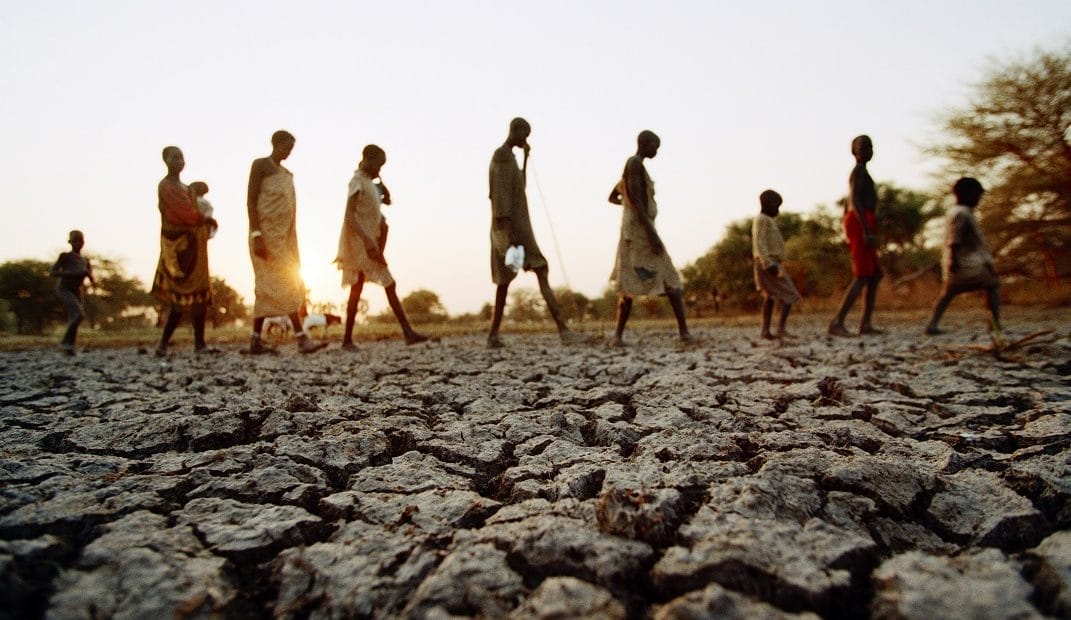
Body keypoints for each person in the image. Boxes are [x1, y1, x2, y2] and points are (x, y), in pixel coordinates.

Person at [486, 117, 584, 348]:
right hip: (510, 231)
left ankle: (561, 329)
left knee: (534, 270)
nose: (526, 139)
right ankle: (562, 330)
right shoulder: (501, 155)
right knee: (510, 278)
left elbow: (519, 186)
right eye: (525, 134)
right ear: (515, 130)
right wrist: (509, 237)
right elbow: (500, 196)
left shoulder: (511, 157)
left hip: (517, 229)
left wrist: (526, 158)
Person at [335, 144, 429, 348]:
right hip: (361, 244)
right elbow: (349, 216)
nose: (380, 169)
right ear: (368, 160)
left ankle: (350, 339)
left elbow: (388, 200)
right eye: (378, 165)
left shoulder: (370, 182)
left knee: (367, 287)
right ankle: (351, 339)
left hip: (372, 242)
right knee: (375, 285)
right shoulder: (357, 181)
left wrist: (380, 181)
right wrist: (367, 240)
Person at [608, 130, 692, 346]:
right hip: (639, 232)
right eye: (655, 146)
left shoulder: (633, 167)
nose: (656, 151)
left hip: (636, 229)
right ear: (645, 144)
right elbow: (636, 200)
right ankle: (684, 333)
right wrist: (652, 234)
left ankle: (618, 336)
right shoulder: (634, 164)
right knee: (670, 278)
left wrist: (627, 204)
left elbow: (615, 196)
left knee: (629, 281)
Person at [246, 130, 325, 354]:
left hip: (285, 237)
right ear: (275, 144)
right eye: (286, 148)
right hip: (265, 236)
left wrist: (291, 237)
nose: (288, 153)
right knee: (271, 284)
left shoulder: (287, 174)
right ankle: (300, 338)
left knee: (287, 282)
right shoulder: (260, 165)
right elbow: (251, 201)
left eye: (291, 149)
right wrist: (256, 234)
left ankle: (257, 340)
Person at [150, 146, 215, 356]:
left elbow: (194, 211)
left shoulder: (187, 188)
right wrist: (203, 219)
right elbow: (182, 213)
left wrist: (203, 221)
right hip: (178, 249)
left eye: (181, 158)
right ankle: (162, 344)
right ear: (166, 160)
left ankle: (200, 344)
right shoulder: (166, 186)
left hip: (196, 247)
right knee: (178, 299)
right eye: (175, 158)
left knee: (200, 296)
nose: (179, 161)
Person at [925, 177, 1004, 343]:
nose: (979, 199)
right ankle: (994, 323)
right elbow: (955, 239)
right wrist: (954, 260)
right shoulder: (962, 214)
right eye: (977, 195)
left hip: (960, 262)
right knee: (991, 285)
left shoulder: (958, 212)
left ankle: (932, 324)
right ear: (968, 194)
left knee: (948, 293)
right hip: (965, 263)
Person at [829, 134, 883, 337]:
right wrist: (865, 230)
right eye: (863, 148)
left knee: (874, 274)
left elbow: (848, 204)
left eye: (870, 147)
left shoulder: (863, 172)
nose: (868, 151)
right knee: (862, 275)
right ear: (854, 152)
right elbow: (854, 200)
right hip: (860, 222)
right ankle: (837, 322)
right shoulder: (857, 172)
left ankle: (866, 324)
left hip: (863, 220)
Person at [752, 190, 801, 340]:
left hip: (770, 262)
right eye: (777, 206)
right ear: (768, 204)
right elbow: (760, 242)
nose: (778, 210)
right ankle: (780, 328)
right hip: (768, 263)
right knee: (790, 294)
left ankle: (766, 331)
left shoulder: (768, 220)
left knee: (770, 296)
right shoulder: (762, 220)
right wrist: (768, 263)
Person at [50, 230, 96, 355]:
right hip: (64, 288)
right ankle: (65, 342)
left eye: (80, 241)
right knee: (79, 315)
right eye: (75, 241)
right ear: (70, 242)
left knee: (74, 317)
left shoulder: (85, 260)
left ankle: (70, 347)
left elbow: (91, 276)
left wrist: (91, 278)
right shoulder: (65, 256)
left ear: (83, 243)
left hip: (77, 290)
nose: (78, 244)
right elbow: (52, 272)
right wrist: (69, 273)